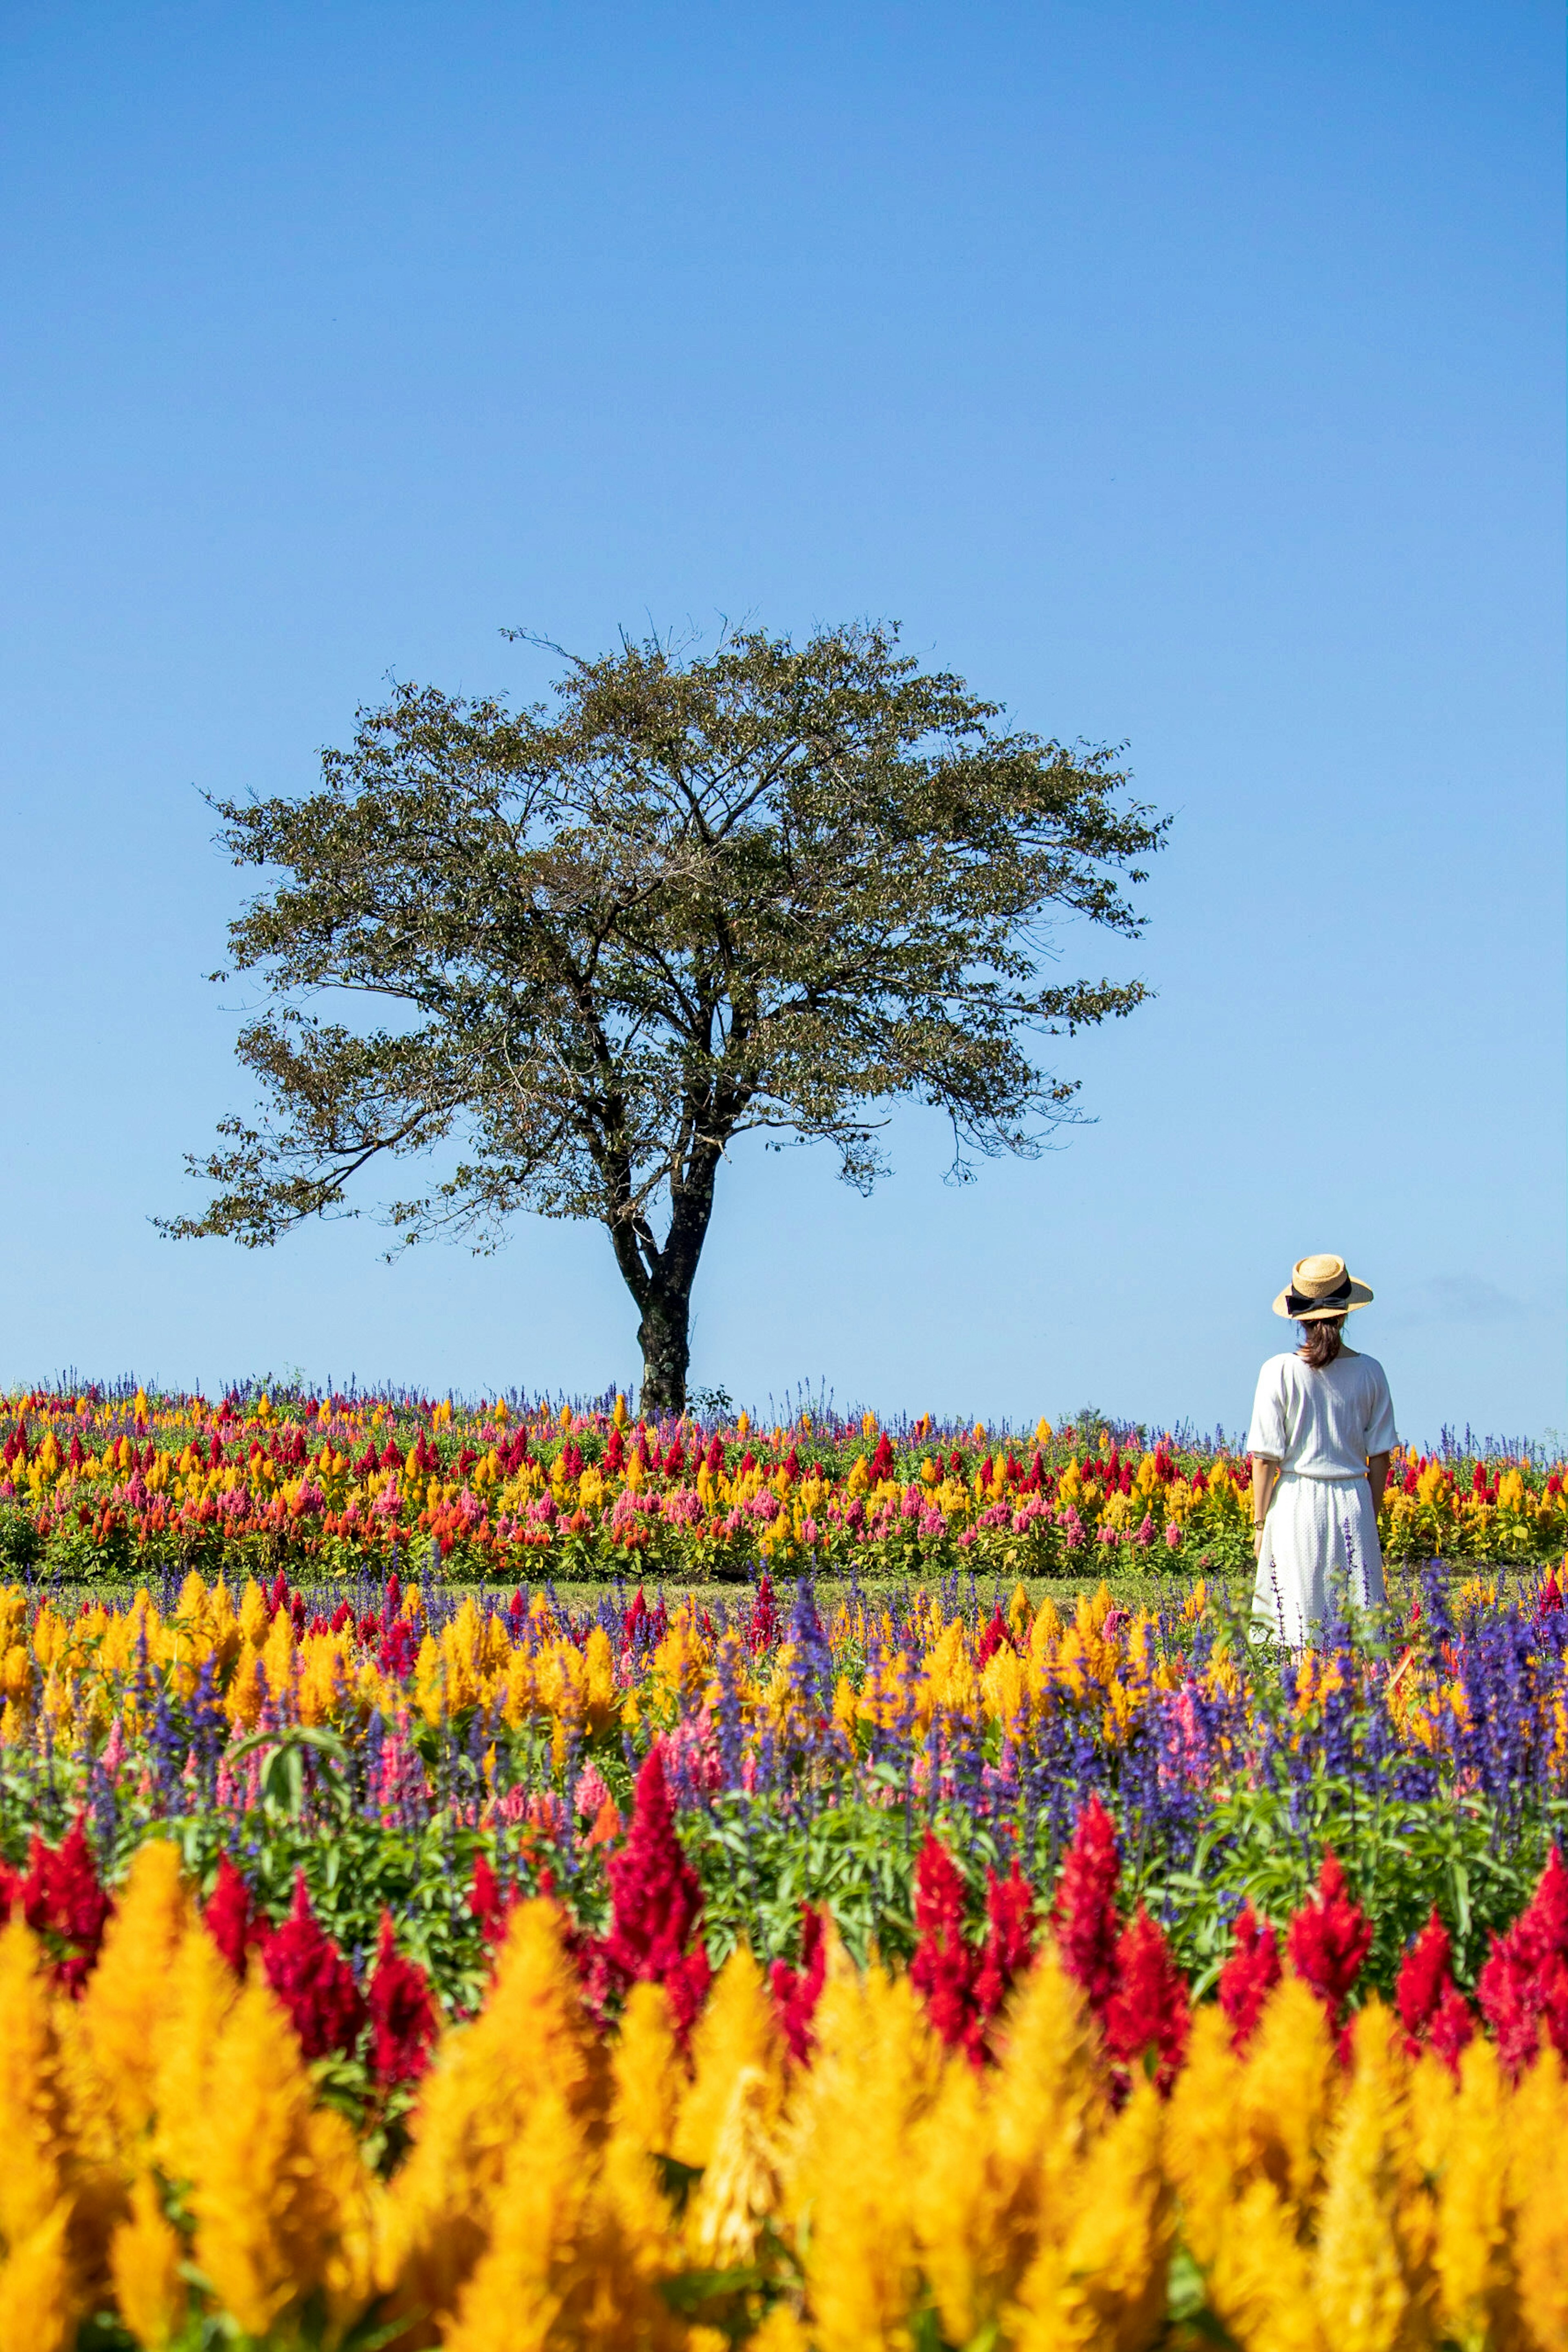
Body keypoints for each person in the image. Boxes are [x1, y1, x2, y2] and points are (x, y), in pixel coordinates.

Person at [1247, 1253, 1397, 1644]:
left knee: (1299, 1622)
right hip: (1354, 1498)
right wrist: (1370, 1514)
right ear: (1346, 1314)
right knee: (1360, 1629)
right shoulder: (1371, 1371)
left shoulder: (1277, 1370)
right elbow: (1380, 1456)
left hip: (1298, 1501)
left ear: (1299, 1318)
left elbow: (1265, 1458)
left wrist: (1260, 1523)